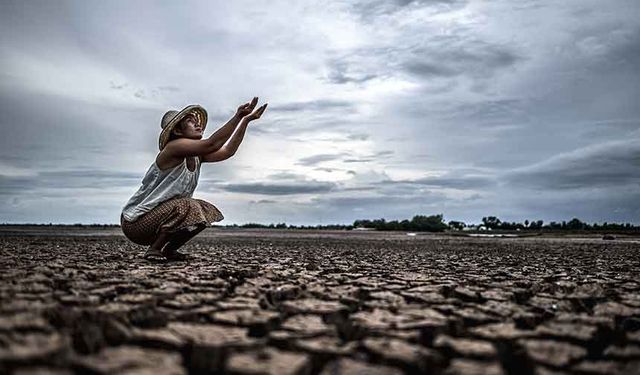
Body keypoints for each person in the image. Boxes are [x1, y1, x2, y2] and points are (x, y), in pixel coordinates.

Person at [120, 97, 268, 261]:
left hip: (160, 220)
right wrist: (237, 117)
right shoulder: (173, 148)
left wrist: (245, 121)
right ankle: (154, 250)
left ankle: (168, 250)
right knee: (188, 205)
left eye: (197, 121)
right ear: (177, 131)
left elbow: (227, 151)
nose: (198, 125)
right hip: (136, 223)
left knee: (204, 210)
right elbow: (212, 144)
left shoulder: (197, 156)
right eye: (191, 122)